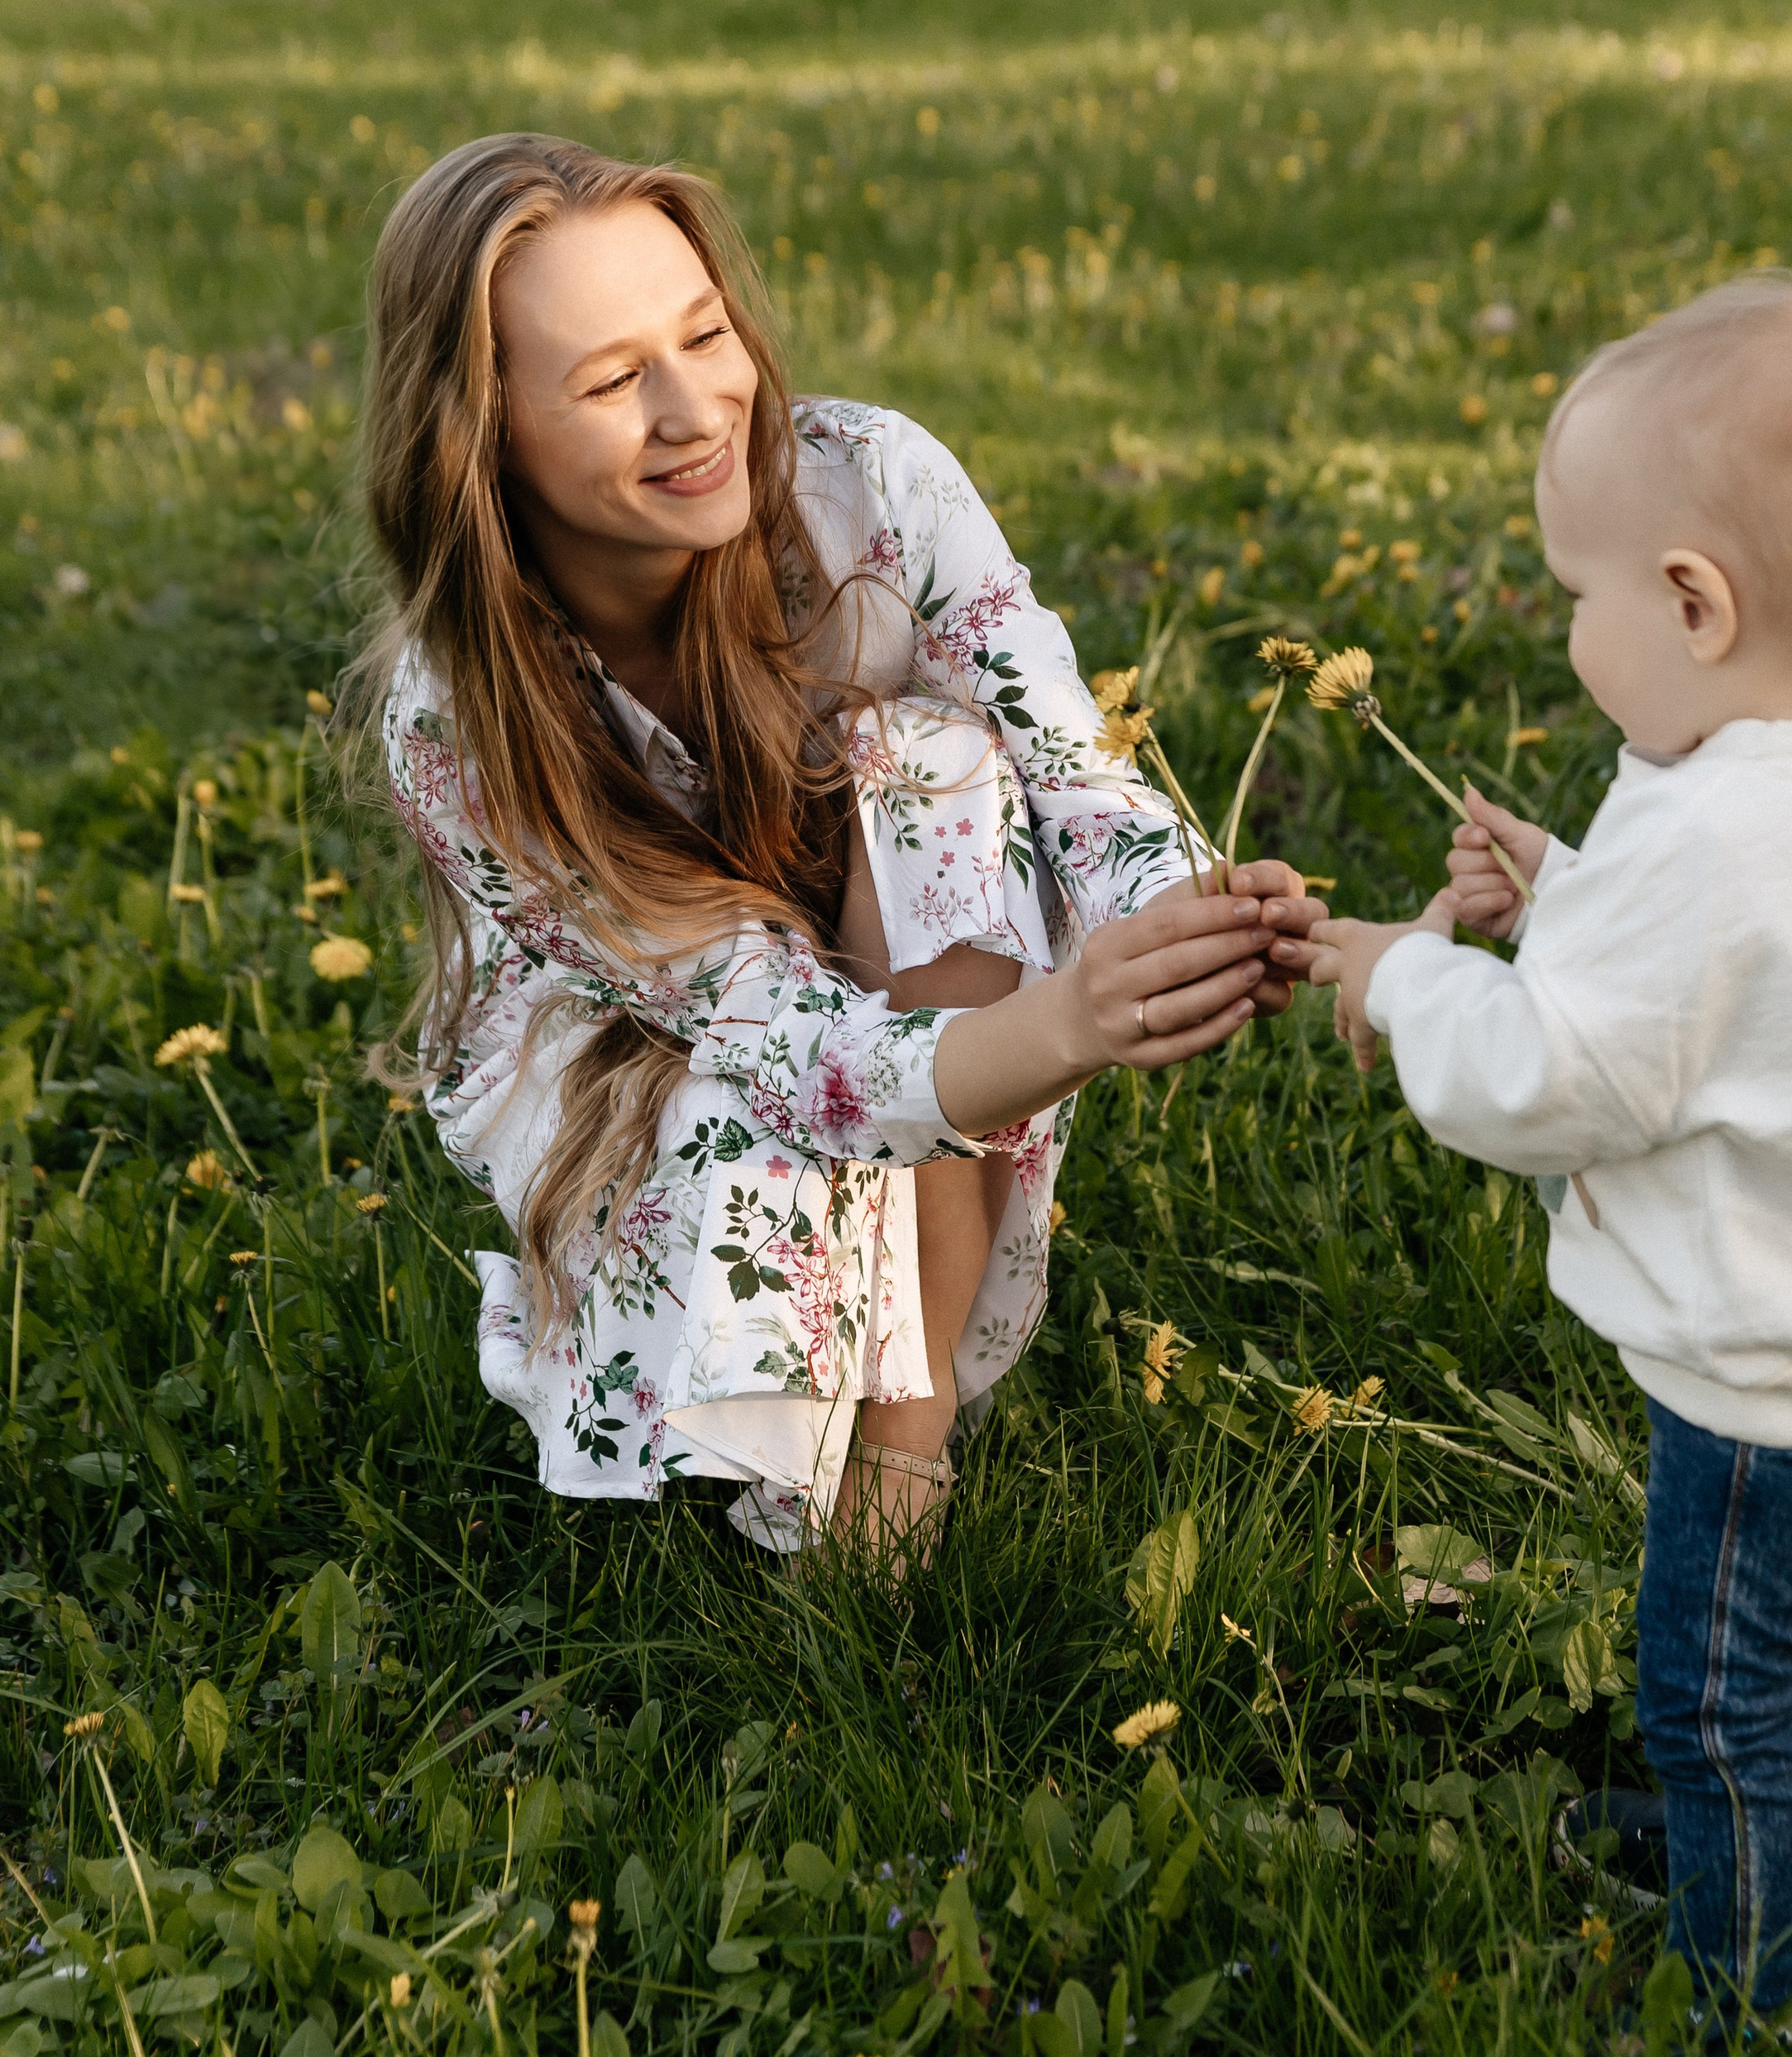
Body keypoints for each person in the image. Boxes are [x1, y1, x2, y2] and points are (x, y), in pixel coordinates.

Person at [356, 133, 1321, 1565]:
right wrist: (1066, 1021)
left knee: (932, 765)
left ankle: (899, 1457)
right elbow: (774, 1032)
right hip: (651, 1017)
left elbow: (1068, 759)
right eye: (615, 381)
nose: (700, 411)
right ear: (481, 432)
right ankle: (777, 1409)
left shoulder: (867, 481)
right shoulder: (456, 728)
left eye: (706, 334)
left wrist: (1193, 919)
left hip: (904, 930)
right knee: (755, 1118)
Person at [1293, 275, 1792, 2023]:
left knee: (1707, 1683)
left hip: (1775, 1372)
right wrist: (1566, 886)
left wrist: (1403, 973)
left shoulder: (1720, 836)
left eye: (1578, 598)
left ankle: (1744, 1991)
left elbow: (1553, 1081)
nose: (1567, 632)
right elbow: (1731, 1000)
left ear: (1690, 603)